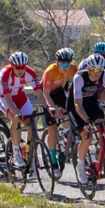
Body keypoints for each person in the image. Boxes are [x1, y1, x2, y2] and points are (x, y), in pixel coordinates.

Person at [67, 53, 105, 184]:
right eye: (94, 70)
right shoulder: (79, 78)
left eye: (99, 70)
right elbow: (77, 105)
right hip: (76, 106)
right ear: (88, 68)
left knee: (103, 128)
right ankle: (81, 165)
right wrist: (87, 120)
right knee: (87, 136)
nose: (97, 73)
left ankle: (102, 158)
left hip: (92, 103)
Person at [0, 52, 41, 169]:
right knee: (16, 118)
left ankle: (28, 152)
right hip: (5, 98)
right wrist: (17, 112)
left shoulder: (30, 72)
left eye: (23, 67)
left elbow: (39, 94)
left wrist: (48, 107)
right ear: (12, 66)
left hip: (20, 96)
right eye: (18, 68)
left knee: (32, 121)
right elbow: (8, 99)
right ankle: (16, 153)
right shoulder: (5, 74)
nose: (21, 70)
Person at [40, 47, 77, 178]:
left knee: (68, 114)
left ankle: (66, 136)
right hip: (47, 95)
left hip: (59, 92)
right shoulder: (50, 71)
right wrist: (53, 108)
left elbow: (78, 82)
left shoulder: (73, 68)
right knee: (52, 130)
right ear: (57, 63)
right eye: (63, 64)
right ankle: (53, 161)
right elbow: (45, 94)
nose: (66, 66)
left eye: (68, 63)